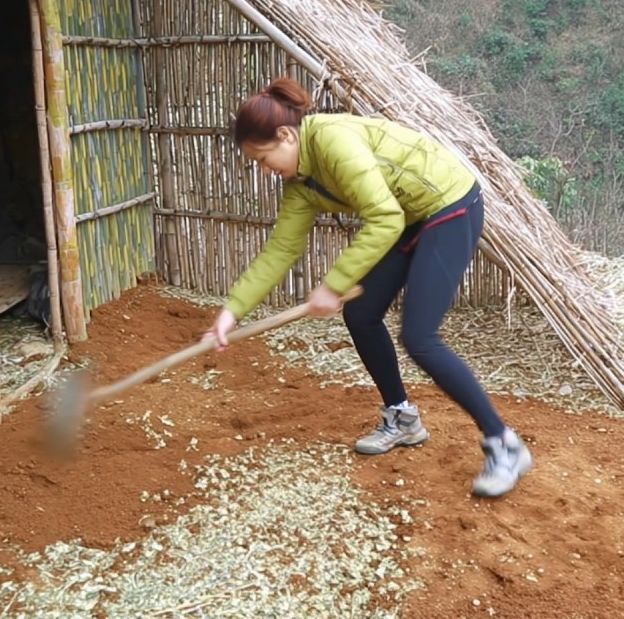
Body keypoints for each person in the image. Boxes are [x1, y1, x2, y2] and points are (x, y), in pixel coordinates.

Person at [206, 78, 532, 498]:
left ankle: (504, 444)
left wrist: (333, 284)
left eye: (264, 158)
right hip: (409, 214)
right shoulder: (300, 184)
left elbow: (384, 219)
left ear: (286, 135)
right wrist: (232, 312)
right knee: (361, 313)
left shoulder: (332, 141)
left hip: (448, 202)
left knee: (420, 337)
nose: (266, 170)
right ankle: (403, 418)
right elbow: (281, 250)